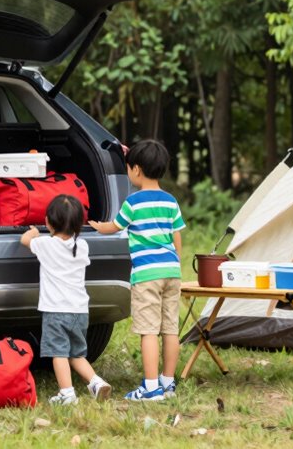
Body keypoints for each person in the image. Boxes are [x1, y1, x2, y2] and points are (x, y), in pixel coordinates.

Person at [90, 140, 184, 402]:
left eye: (129, 168)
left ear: (137, 170)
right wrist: (176, 262)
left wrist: (97, 226)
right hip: (171, 271)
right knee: (170, 329)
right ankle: (168, 383)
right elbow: (177, 237)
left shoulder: (133, 202)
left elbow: (115, 227)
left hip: (147, 275)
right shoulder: (170, 201)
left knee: (149, 330)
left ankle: (151, 387)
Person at [22, 194, 112, 405]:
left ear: (48, 222)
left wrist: (33, 232)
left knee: (59, 353)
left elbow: (25, 241)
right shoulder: (82, 246)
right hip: (80, 311)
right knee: (76, 355)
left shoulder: (45, 244)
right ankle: (96, 382)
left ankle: (67, 393)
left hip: (56, 311)